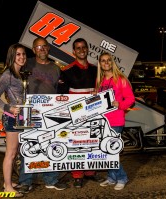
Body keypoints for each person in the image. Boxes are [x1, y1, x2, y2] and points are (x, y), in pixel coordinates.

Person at [17, 37, 68, 194]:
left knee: (50, 145)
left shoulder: (55, 68)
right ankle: (26, 181)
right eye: (38, 47)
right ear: (33, 50)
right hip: (29, 111)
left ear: (48, 48)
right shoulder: (27, 63)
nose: (42, 49)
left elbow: (57, 89)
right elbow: (12, 78)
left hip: (49, 112)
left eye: (44, 46)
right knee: (28, 147)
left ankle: (51, 179)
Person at [58, 38, 104, 188]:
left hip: (93, 112)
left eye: (84, 47)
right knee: (76, 145)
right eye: (78, 48)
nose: (81, 50)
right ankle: (77, 175)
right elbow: (62, 95)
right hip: (75, 115)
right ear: (74, 51)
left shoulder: (95, 69)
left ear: (87, 49)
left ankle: (90, 172)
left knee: (92, 142)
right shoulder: (66, 71)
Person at [95, 52, 135, 190]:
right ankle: (112, 177)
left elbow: (130, 99)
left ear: (112, 63)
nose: (106, 63)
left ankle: (122, 177)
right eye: (103, 61)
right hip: (103, 121)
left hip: (116, 120)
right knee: (106, 151)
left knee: (111, 151)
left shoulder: (121, 79)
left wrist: (120, 104)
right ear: (100, 63)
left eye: (108, 60)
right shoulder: (100, 81)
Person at [0, 43, 27, 198]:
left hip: (20, 118)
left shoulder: (20, 74)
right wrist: (9, 108)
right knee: (11, 153)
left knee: (15, 152)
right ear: (12, 56)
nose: (22, 57)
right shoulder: (8, 75)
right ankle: (7, 189)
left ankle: (8, 183)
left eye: (24, 54)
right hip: (12, 118)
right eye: (18, 54)